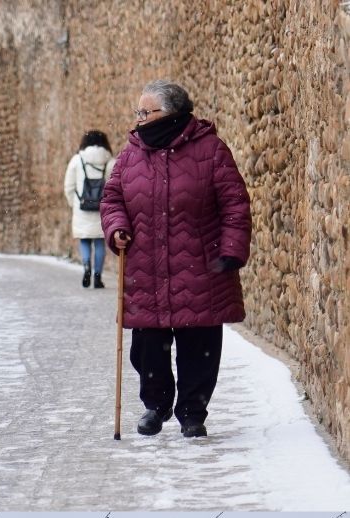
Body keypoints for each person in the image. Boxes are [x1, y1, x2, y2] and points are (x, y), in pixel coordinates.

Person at [101, 80, 251, 439]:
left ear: (170, 113)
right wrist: (117, 227)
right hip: (145, 269)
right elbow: (112, 199)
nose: (138, 119)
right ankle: (156, 405)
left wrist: (232, 249)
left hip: (199, 266)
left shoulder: (210, 150)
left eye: (145, 112)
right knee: (147, 346)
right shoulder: (130, 154)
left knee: (199, 346)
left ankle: (192, 413)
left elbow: (235, 204)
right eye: (138, 112)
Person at [64, 130, 114, 288]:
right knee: (100, 241)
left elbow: (68, 186)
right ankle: (98, 276)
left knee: (85, 239)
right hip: (102, 208)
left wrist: (74, 204)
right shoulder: (110, 161)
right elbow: (115, 187)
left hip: (82, 207)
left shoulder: (77, 160)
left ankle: (86, 266)